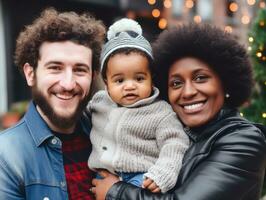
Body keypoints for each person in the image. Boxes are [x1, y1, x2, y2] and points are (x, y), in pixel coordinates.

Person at [90, 23, 266, 200]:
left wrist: (115, 191)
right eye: (176, 83)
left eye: (200, 78)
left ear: (225, 82)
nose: (188, 92)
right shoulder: (178, 125)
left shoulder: (244, 141)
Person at [0, 8, 105, 199]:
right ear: (30, 74)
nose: (67, 84)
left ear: (93, 77)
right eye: (55, 68)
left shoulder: (109, 135)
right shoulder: (5, 156)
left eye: (80, 70)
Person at [87, 18, 189, 194]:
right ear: (106, 83)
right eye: (119, 80)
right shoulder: (99, 102)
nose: (130, 86)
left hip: (143, 177)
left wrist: (163, 173)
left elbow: (175, 143)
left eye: (139, 78)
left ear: (151, 79)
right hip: (102, 175)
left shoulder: (160, 112)